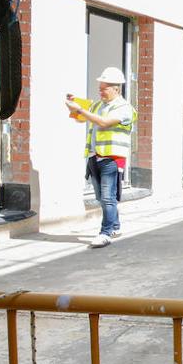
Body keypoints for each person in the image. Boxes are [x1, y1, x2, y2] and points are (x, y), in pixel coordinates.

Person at [66, 67, 136, 249]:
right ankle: (115, 225)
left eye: (104, 88)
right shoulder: (97, 106)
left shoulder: (124, 108)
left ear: (116, 89)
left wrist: (80, 108)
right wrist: (73, 107)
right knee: (103, 197)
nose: (101, 91)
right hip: (94, 156)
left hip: (111, 158)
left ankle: (105, 233)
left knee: (107, 197)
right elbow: (79, 118)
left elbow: (103, 122)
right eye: (100, 87)